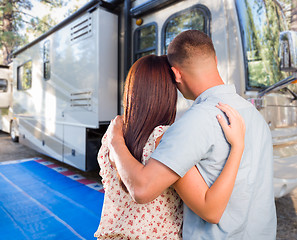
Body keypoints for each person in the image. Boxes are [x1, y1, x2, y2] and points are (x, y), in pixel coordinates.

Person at [107, 30, 277, 239]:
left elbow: (142, 190)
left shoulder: (195, 122)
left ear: (176, 74)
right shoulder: (252, 114)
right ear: (214, 59)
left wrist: (115, 141)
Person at [95, 54, 245, 239]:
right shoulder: (164, 139)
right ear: (168, 93)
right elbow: (211, 210)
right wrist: (237, 146)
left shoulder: (112, 136)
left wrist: (115, 141)